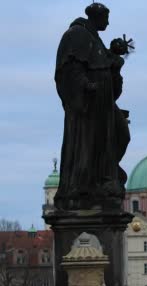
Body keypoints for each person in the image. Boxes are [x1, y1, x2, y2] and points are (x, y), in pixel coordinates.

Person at [54, 2, 131, 210]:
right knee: (89, 145)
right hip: (87, 106)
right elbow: (68, 70)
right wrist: (86, 86)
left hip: (104, 103)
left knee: (122, 134)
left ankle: (106, 176)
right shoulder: (76, 35)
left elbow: (113, 84)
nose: (108, 22)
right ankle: (86, 185)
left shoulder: (95, 41)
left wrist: (115, 60)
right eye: (106, 18)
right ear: (96, 16)